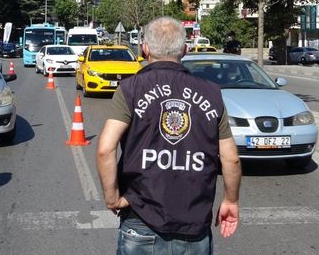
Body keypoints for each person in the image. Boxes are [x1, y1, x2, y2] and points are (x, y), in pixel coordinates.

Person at [96, 17, 241, 254]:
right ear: (185, 50)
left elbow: (105, 149)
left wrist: (112, 199)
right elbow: (230, 158)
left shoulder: (130, 89)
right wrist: (231, 201)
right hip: (195, 224)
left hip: (141, 218)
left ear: (145, 49)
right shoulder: (212, 93)